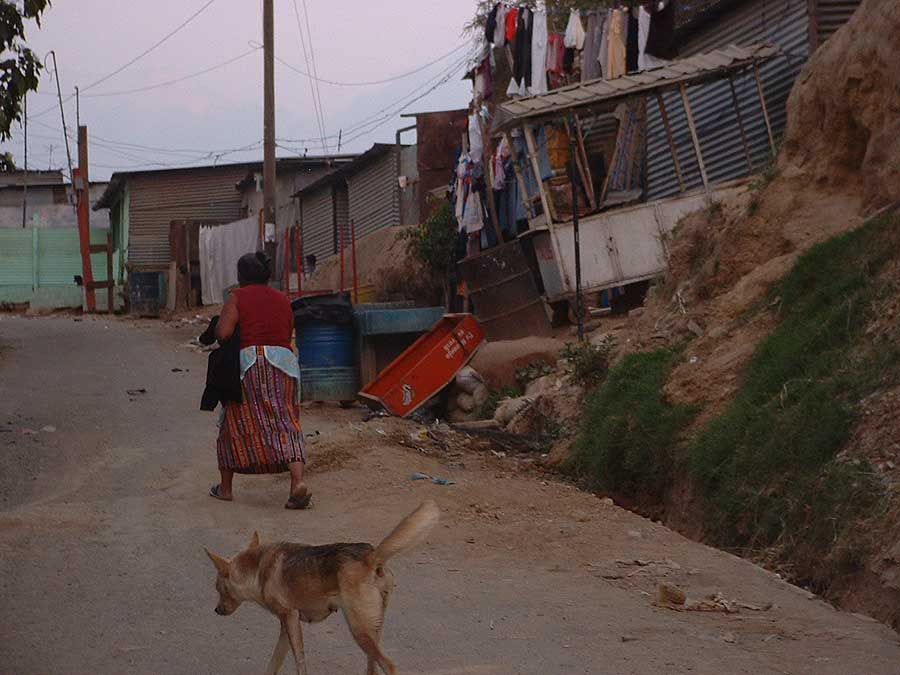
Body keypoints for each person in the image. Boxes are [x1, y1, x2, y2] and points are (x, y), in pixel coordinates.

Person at [208, 251, 311, 509]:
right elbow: (286, 333)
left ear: (241, 276)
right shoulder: (282, 299)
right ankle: (297, 483)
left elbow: (223, 333)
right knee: (286, 421)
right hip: (284, 364)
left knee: (234, 420)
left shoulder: (237, 297)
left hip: (249, 364)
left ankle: (226, 488)